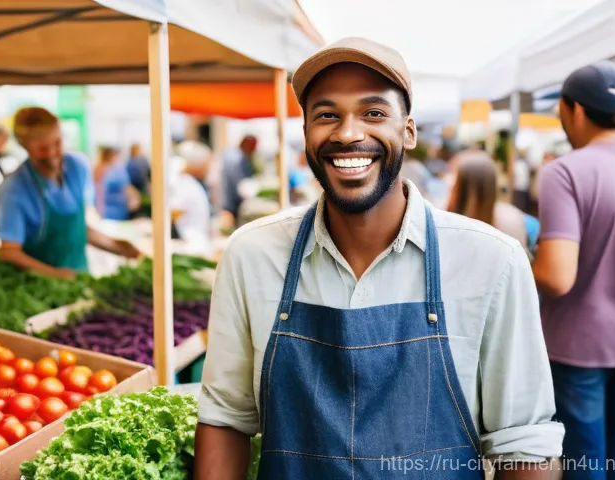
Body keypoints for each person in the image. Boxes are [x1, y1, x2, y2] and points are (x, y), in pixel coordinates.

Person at [195, 37, 562, 480]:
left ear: (407, 130)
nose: (348, 133)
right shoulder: (251, 254)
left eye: (373, 113)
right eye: (327, 114)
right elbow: (225, 418)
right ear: (306, 133)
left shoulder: (492, 260)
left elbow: (524, 445)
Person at [532, 61, 615, 478]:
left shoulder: (565, 171)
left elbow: (557, 276)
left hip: (580, 341)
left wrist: (517, 263)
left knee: (584, 454)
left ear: (573, 109)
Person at [0, 107, 139, 279]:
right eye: (42, 148)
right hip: (38, 287)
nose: (51, 154)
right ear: (24, 145)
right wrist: (55, 274)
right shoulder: (14, 189)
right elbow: (9, 252)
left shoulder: (77, 167)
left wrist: (117, 246)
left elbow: (75, 229)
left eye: (57, 143)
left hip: (80, 276)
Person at [447, 149, 539, 255]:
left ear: (458, 186)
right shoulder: (515, 218)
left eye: (451, 173)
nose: (446, 179)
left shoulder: (445, 222)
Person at [170, 141, 213, 244]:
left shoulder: (188, 183)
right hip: (191, 240)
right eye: (206, 164)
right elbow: (174, 211)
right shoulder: (185, 184)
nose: (208, 168)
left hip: (195, 240)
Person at [218, 135, 258, 230]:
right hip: (229, 205)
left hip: (229, 203)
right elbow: (237, 186)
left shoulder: (237, 157)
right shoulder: (236, 159)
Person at [93, 145, 140, 221]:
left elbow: (128, 188)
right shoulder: (101, 170)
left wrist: (134, 199)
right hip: (105, 210)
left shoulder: (118, 171)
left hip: (115, 210)